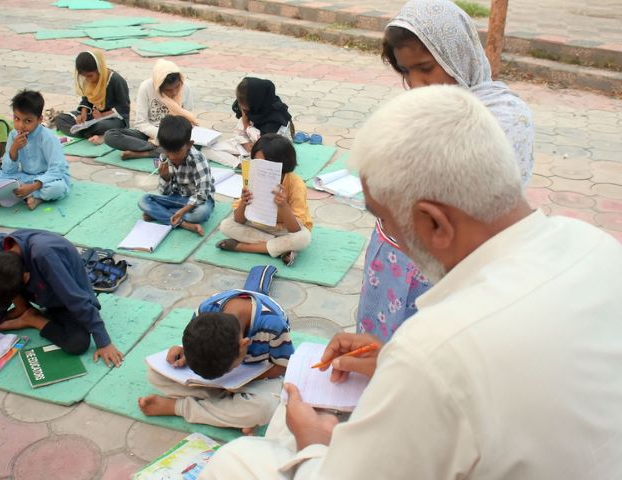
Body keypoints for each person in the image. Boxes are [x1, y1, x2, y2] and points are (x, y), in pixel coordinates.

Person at [199, 85, 622, 480]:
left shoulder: (435, 348)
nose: (385, 235)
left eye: (384, 218)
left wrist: (314, 442)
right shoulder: (596, 245)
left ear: (435, 223)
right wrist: (390, 361)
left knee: (234, 460)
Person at [356, 0, 536, 343]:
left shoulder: (505, 120)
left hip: (455, 264)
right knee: (378, 348)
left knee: (432, 350)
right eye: (406, 72)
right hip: (394, 254)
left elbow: (481, 208)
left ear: (458, 55)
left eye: (426, 68)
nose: (417, 83)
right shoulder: (420, 110)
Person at [138, 289, 293, 434]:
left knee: (265, 408)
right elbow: (197, 341)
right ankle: (231, 411)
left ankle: (178, 407)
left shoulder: (273, 325)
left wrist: (240, 382)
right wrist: (184, 351)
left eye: (229, 370)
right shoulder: (206, 310)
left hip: (259, 373)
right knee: (154, 374)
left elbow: (282, 366)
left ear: (244, 345)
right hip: (219, 374)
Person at [0, 229, 124, 365]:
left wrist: (103, 342)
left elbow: (76, 300)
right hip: (39, 292)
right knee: (0, 292)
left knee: (77, 343)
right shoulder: (2, 251)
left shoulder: (45, 256)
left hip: (64, 298)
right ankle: (23, 309)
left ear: (26, 279)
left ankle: (31, 318)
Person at [215, 134, 312, 266]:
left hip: (284, 228)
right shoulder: (253, 178)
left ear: (281, 164)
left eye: (265, 164)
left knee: (303, 238)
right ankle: (281, 248)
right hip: (259, 226)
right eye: (256, 162)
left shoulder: (295, 183)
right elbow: (239, 220)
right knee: (226, 226)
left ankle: (243, 247)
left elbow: (295, 229)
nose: (259, 167)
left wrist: (283, 206)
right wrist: (244, 203)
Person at [0, 90, 70, 211]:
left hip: (48, 178)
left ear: (39, 119)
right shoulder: (14, 135)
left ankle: (22, 195)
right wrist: (14, 149)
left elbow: (58, 169)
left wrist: (33, 187)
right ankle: (25, 195)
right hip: (25, 177)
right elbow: (8, 171)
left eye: (27, 121)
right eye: (17, 118)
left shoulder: (47, 137)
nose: (20, 125)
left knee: (57, 188)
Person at [104, 59, 197, 160]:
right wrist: (160, 136)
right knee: (110, 136)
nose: (174, 93)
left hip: (175, 135)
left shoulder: (185, 87)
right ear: (159, 86)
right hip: (149, 133)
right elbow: (141, 123)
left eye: (177, 87)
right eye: (168, 90)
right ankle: (158, 149)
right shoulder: (146, 87)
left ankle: (144, 153)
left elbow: (188, 121)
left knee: (195, 145)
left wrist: (170, 136)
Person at [138, 115, 215, 236]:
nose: (172, 157)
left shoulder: (198, 160)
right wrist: (165, 178)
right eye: (168, 151)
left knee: (201, 213)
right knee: (143, 200)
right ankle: (184, 224)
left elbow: (202, 194)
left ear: (189, 144)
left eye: (177, 151)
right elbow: (165, 193)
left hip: (197, 202)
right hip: (177, 199)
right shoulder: (164, 158)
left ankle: (161, 214)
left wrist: (183, 211)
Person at [204, 77, 294, 168]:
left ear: (256, 101)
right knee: (207, 150)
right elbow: (238, 132)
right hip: (248, 147)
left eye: (245, 108)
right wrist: (245, 143)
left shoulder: (276, 118)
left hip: (270, 152)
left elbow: (265, 143)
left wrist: (246, 125)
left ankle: (249, 164)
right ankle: (241, 165)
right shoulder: (253, 109)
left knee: (267, 163)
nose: (242, 110)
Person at [54, 50, 130, 144]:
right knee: (60, 119)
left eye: (90, 75)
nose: (88, 79)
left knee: (98, 126)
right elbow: (87, 99)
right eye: (85, 76)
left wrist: (103, 116)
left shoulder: (116, 80)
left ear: (99, 69)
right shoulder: (88, 80)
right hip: (93, 117)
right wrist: (83, 114)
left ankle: (85, 132)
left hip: (113, 119)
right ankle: (92, 133)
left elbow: (125, 110)